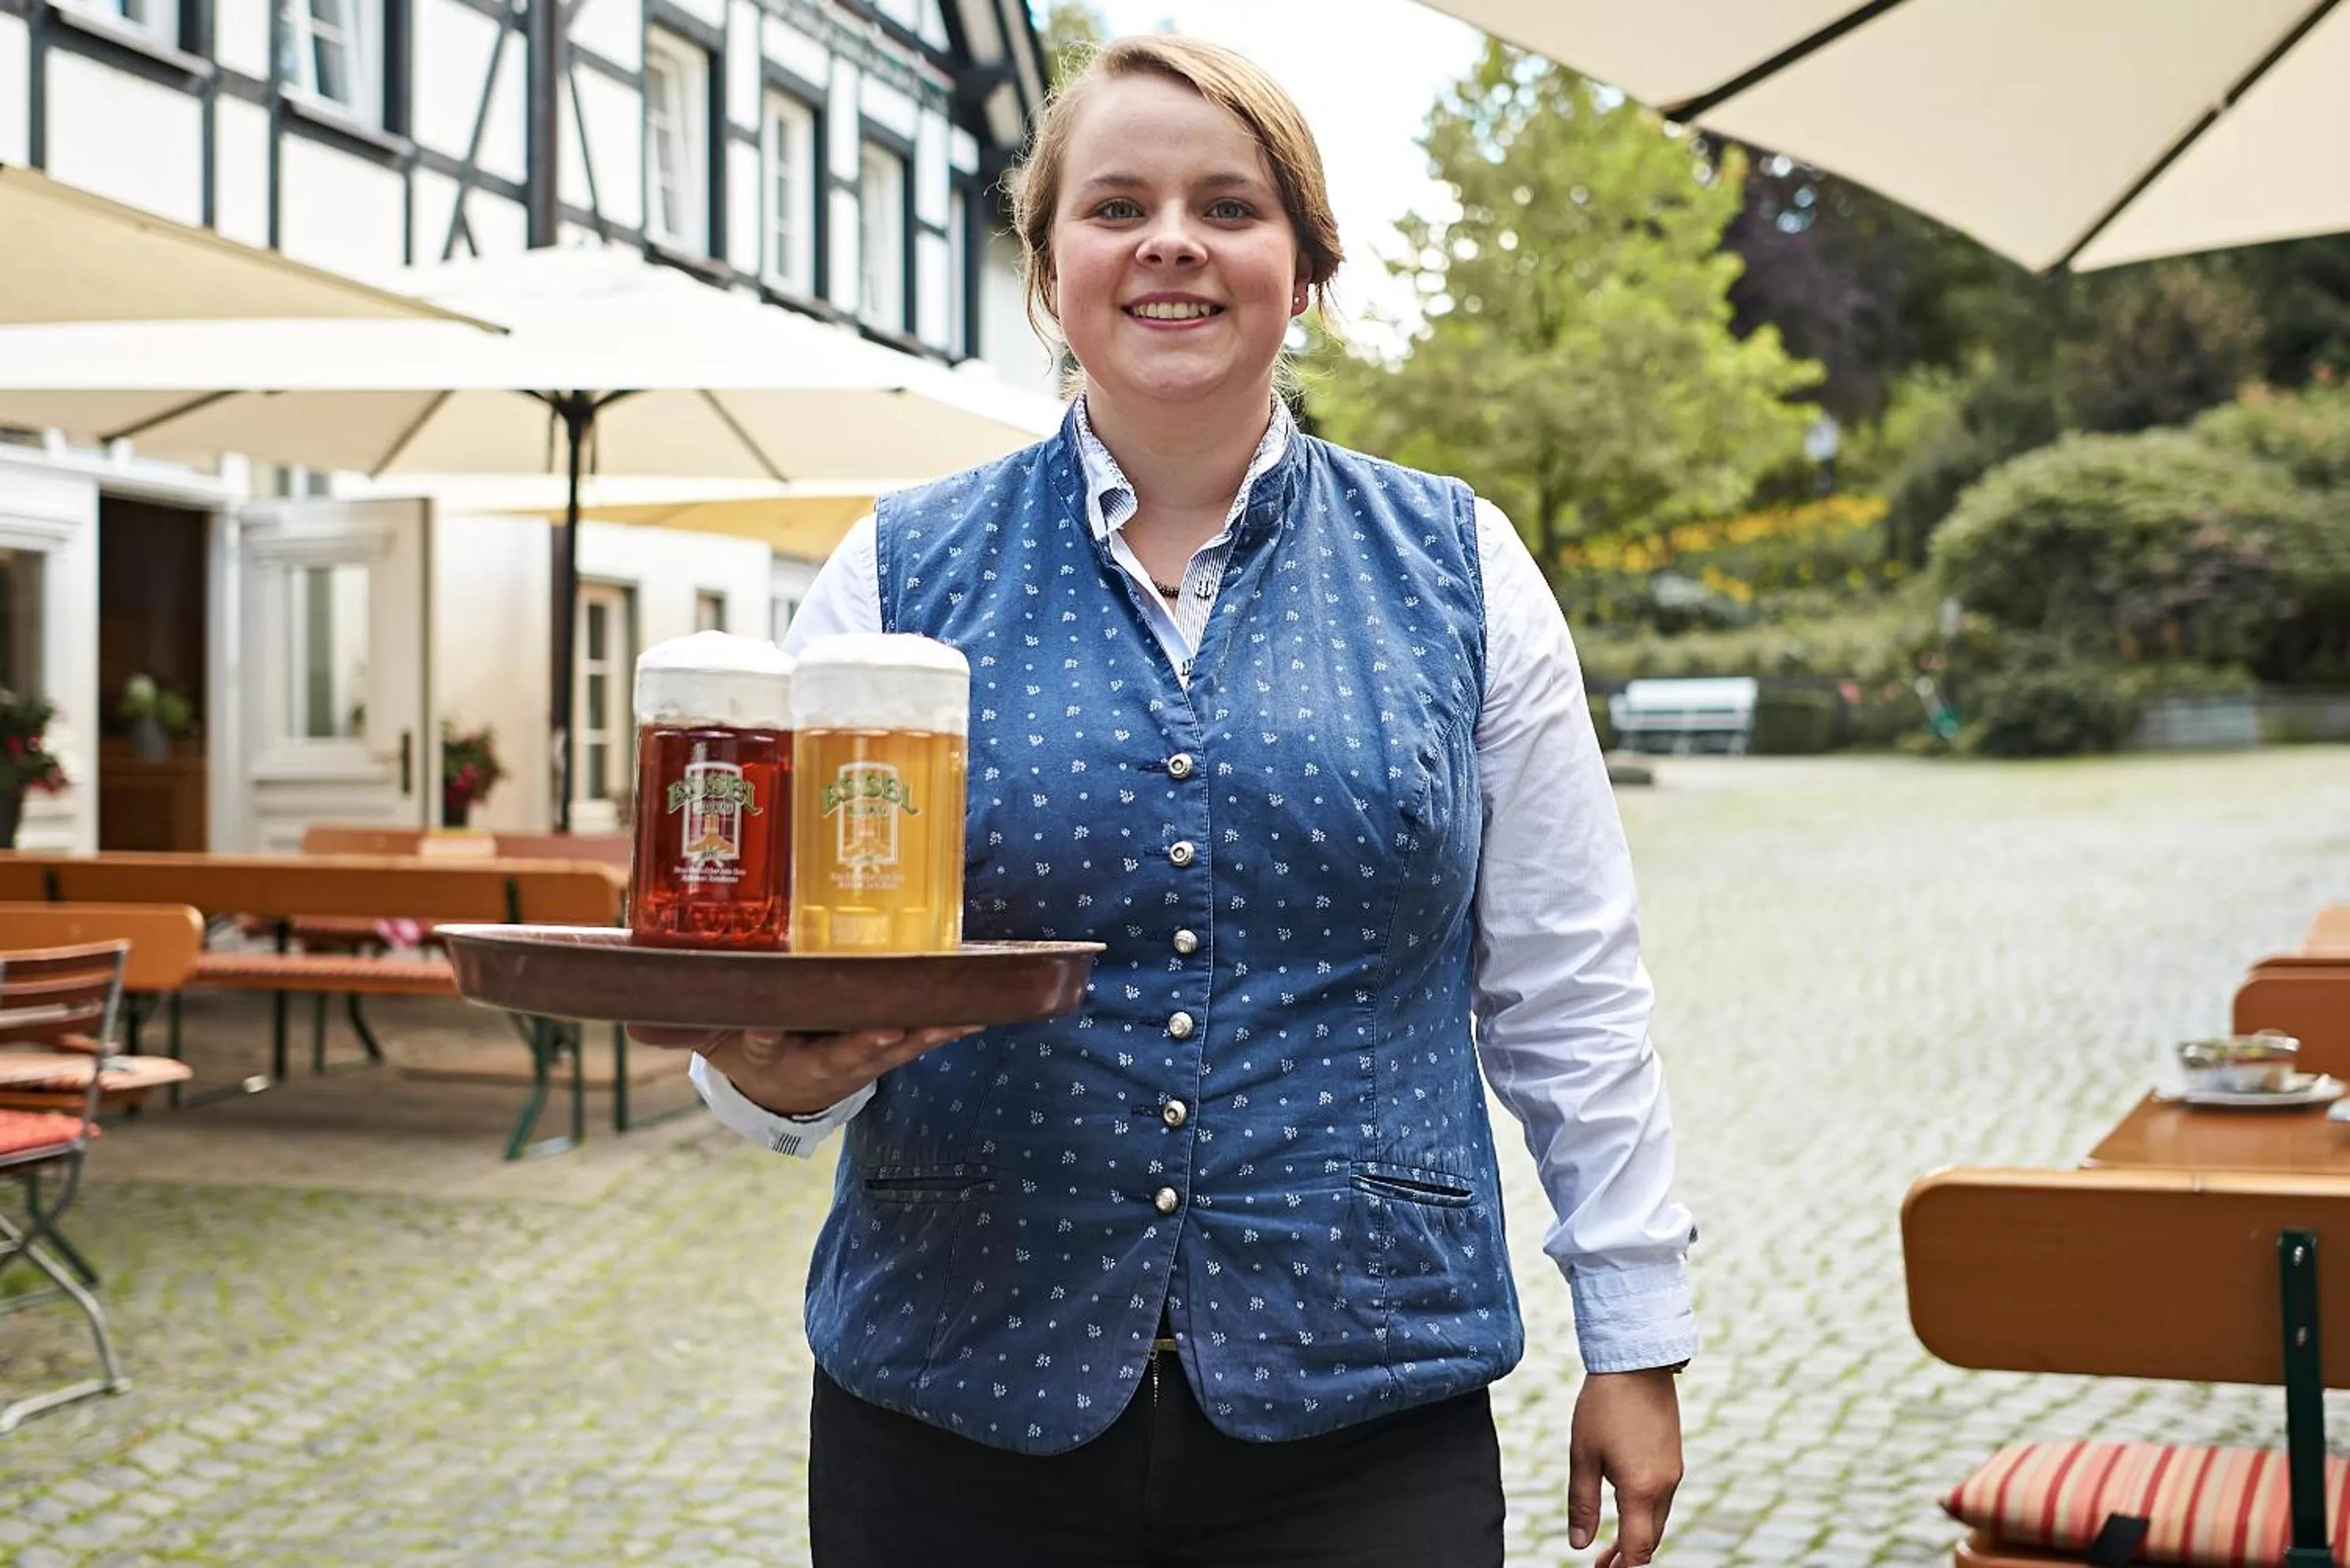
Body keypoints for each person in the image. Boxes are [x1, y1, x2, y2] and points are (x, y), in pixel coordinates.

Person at [635, 33, 1696, 1568]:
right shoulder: (891, 575)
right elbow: (786, 1006)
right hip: (951, 1404)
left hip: (1360, 1408)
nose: (1171, 242)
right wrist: (776, 1077)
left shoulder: (1460, 568)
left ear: (1305, 266)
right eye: (1116, 205)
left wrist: (1634, 1329)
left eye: (1229, 205)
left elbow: (1568, 984)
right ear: (1048, 265)